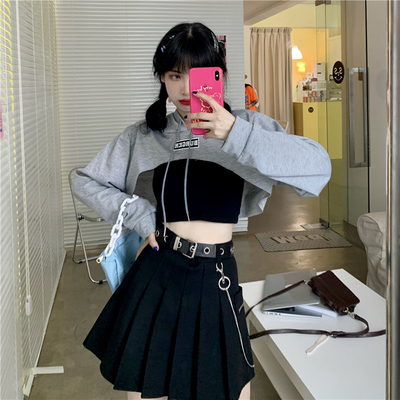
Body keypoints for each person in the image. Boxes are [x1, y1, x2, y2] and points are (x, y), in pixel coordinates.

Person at [74, 22, 331, 400]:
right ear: (162, 79)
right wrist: (140, 216)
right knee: (146, 385)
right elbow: (84, 181)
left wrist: (234, 133)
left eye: (196, 75)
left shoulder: (248, 126)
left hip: (216, 275)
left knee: (228, 384)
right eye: (174, 75)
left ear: (218, 76)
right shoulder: (146, 135)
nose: (185, 89)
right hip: (158, 269)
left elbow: (318, 170)